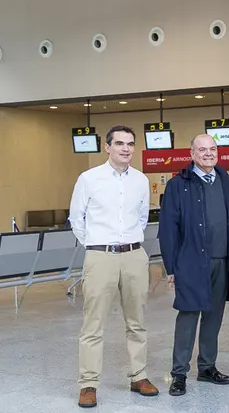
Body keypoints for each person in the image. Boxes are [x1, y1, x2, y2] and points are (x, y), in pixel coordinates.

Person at [68, 125, 157, 408]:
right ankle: (88, 383)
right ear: (107, 147)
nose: (126, 149)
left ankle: (138, 375)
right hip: (99, 256)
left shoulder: (141, 180)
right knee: (93, 323)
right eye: (119, 143)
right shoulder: (89, 178)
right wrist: (95, 245)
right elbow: (76, 218)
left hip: (133, 255)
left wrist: (128, 245)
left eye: (130, 144)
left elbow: (142, 217)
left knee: (137, 321)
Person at [158, 134, 229, 396]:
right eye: (202, 149)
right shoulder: (178, 185)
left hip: (223, 261)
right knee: (188, 315)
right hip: (191, 261)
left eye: (213, 149)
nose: (208, 153)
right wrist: (171, 267)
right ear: (192, 153)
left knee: (214, 316)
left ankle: (207, 367)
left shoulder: (226, 181)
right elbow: (168, 229)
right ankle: (179, 373)